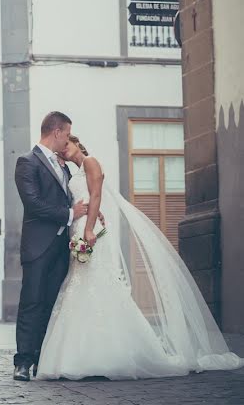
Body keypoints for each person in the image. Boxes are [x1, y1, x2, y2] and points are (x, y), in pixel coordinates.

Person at [36, 134, 244, 380]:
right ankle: (81, 355)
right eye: (62, 150)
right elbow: (85, 199)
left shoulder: (91, 161)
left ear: (77, 143)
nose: (64, 150)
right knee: (80, 286)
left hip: (89, 231)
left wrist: (90, 227)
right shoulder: (73, 170)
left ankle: (104, 356)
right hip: (78, 228)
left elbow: (96, 196)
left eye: (67, 145)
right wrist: (89, 217)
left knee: (98, 283)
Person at [12, 111, 88, 381]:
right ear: (56, 132)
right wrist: (71, 214)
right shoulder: (27, 162)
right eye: (67, 134)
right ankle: (23, 362)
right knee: (32, 303)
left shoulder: (64, 166)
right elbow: (33, 203)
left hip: (62, 246)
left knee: (53, 305)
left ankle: (44, 359)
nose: (68, 139)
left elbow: (76, 197)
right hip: (37, 247)